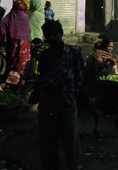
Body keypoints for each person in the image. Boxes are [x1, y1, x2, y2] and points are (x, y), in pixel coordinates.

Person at [37, 20, 84, 170]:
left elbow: (79, 74)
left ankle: (74, 166)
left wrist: (76, 93)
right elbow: (42, 77)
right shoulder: (44, 56)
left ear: (61, 34)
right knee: (48, 139)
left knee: (70, 138)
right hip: (48, 100)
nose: (50, 38)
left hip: (67, 99)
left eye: (53, 34)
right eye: (47, 35)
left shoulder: (74, 51)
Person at [0, 0, 31, 75]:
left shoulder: (11, 15)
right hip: (25, 43)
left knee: (12, 62)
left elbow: (2, 25)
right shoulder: (25, 16)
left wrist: (2, 40)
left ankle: (12, 79)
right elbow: (28, 30)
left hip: (13, 42)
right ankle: (21, 78)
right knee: (22, 61)